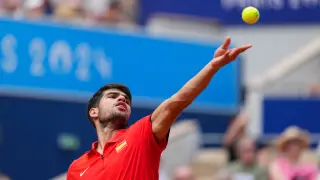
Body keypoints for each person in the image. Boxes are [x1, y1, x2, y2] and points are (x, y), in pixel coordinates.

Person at [66, 37, 252, 180]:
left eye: (126, 100)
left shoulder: (140, 135)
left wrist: (213, 67)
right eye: (113, 97)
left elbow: (177, 102)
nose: (122, 99)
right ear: (94, 112)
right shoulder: (77, 168)